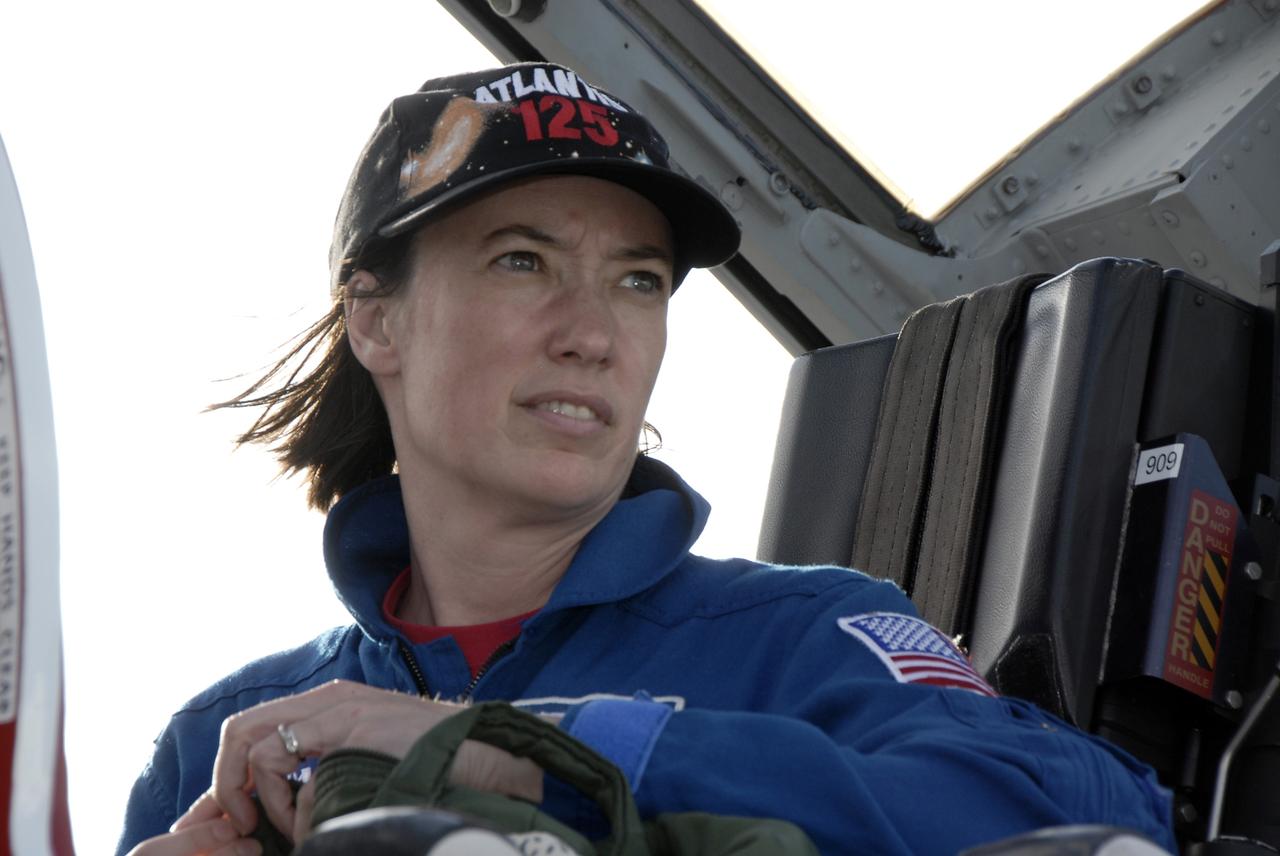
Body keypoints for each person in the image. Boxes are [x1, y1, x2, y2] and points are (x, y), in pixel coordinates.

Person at [118, 63, 1177, 856]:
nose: (594, 332)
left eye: (636, 280)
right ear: (375, 320)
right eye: (522, 260)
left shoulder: (808, 638)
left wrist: (520, 747)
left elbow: (1092, 812)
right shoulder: (218, 740)